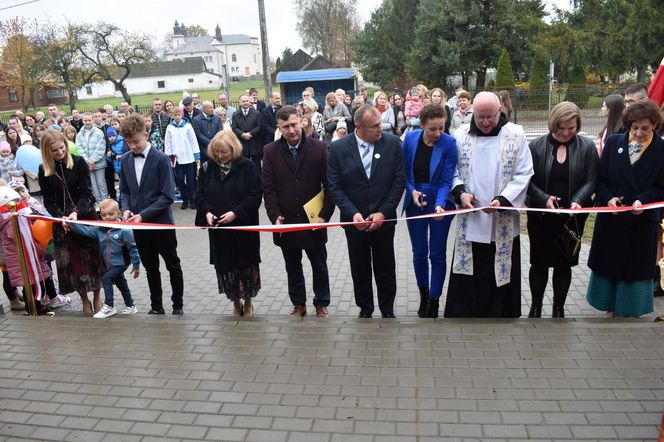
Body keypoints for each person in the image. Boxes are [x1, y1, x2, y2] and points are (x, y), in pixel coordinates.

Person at [444, 91, 533, 318]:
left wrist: (504, 199)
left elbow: (524, 172)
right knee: (470, 268)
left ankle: (501, 312)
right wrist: (461, 193)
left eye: (490, 117)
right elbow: (451, 170)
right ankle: (465, 312)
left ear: (499, 111)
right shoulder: (461, 134)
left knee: (500, 268)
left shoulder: (516, 134)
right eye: (480, 117)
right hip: (471, 215)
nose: (485, 123)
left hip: (501, 216)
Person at [586, 100, 664, 318]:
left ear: (655, 126)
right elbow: (600, 179)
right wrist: (609, 198)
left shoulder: (661, 149)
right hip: (613, 218)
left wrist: (644, 200)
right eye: (635, 127)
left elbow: (662, 186)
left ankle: (630, 311)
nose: (639, 133)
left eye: (645, 128)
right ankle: (609, 308)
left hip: (642, 220)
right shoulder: (613, 143)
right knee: (609, 263)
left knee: (635, 267)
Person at [327, 105, 406, 318]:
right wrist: (352, 213)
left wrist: (384, 212)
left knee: (385, 266)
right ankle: (365, 308)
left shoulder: (392, 144)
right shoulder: (339, 148)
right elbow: (335, 186)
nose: (381, 129)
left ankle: (387, 309)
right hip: (355, 221)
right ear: (359, 126)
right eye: (374, 126)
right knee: (360, 267)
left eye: (380, 123)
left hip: (384, 220)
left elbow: (399, 181)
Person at [527, 102, 599, 318]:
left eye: (572, 128)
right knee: (539, 262)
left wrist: (578, 200)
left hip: (571, 217)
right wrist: (544, 198)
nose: (566, 133)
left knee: (563, 264)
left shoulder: (586, 147)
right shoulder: (536, 146)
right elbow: (526, 180)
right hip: (541, 214)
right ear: (553, 124)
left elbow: (592, 179)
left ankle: (559, 308)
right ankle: (536, 306)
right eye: (562, 128)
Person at [262, 106, 335, 318]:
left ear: (301, 121)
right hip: (286, 221)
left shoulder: (320, 148)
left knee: (319, 265)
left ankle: (321, 303)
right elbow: (269, 188)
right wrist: (275, 215)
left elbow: (330, 185)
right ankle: (298, 304)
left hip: (314, 220)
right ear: (279, 127)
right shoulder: (270, 151)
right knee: (292, 266)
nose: (291, 130)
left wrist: (324, 215)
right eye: (286, 127)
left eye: (294, 124)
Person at [119, 114, 185, 316]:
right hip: (139, 226)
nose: (133, 146)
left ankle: (177, 305)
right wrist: (127, 208)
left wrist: (144, 214)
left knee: (172, 264)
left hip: (161, 224)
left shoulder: (161, 159)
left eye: (136, 141)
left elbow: (167, 196)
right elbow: (125, 191)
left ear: (146, 135)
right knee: (150, 267)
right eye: (129, 143)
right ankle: (156, 305)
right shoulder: (126, 160)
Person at [195, 131, 262, 317]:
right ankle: (235, 302)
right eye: (216, 152)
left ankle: (248, 302)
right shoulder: (207, 168)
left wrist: (235, 213)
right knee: (226, 266)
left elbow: (255, 195)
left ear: (233, 149)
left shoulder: (247, 167)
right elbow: (199, 195)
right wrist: (207, 212)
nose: (219, 156)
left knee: (246, 265)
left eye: (224, 152)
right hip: (219, 229)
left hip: (243, 227)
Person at [38, 129, 104, 314]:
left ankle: (97, 296)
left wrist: (76, 212)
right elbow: (48, 200)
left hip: (85, 216)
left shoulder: (79, 162)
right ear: (46, 152)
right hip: (62, 223)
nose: (60, 153)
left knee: (93, 260)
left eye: (62, 148)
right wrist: (61, 218)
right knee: (73, 263)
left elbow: (87, 192)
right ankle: (84, 299)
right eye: (55, 150)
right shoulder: (44, 170)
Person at [401, 104, 457, 318]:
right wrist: (412, 191)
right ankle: (423, 294)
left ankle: (434, 299)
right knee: (419, 253)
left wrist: (440, 204)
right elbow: (404, 173)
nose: (437, 133)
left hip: (439, 201)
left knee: (437, 253)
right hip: (415, 201)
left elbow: (446, 179)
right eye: (432, 129)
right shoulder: (410, 139)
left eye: (441, 128)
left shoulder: (449, 143)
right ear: (422, 124)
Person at [68, 198, 140, 318]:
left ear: (118, 213)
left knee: (106, 279)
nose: (107, 217)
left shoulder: (125, 230)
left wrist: (136, 266)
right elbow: (86, 230)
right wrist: (72, 225)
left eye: (111, 214)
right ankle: (131, 306)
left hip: (121, 263)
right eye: (104, 215)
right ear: (100, 215)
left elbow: (133, 249)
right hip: (109, 264)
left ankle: (109, 306)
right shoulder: (100, 229)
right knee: (121, 284)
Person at [165, 109, 200, 210]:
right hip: (177, 159)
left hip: (189, 157)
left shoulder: (188, 126)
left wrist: (196, 156)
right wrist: (169, 157)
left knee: (191, 180)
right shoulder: (170, 127)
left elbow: (193, 141)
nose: (177, 117)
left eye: (178, 114)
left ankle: (193, 200)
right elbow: (168, 143)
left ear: (182, 115)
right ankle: (185, 199)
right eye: (174, 115)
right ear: (172, 116)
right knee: (179, 179)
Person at [76, 112, 108, 203]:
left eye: (89, 120)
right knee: (93, 185)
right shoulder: (79, 135)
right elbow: (79, 148)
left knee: (101, 183)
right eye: (85, 120)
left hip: (99, 163)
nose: (87, 122)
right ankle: (98, 202)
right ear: (82, 121)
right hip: (87, 164)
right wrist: (87, 161)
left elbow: (101, 147)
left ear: (93, 120)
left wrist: (93, 160)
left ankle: (105, 202)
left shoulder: (99, 132)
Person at [231, 94, 263, 172]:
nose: (245, 103)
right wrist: (242, 134)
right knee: (243, 166)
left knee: (256, 166)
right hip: (242, 143)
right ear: (240, 103)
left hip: (254, 143)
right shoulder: (235, 114)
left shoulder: (256, 113)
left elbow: (259, 126)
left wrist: (250, 134)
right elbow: (234, 127)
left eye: (247, 101)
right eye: (243, 101)